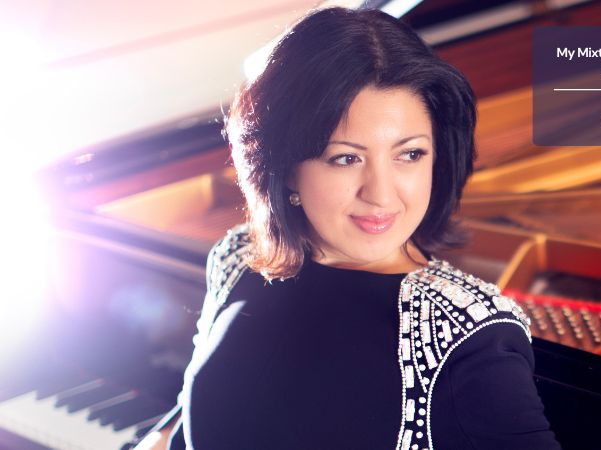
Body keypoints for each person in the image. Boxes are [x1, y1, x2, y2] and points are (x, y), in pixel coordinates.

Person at [134, 6, 560, 450]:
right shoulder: (239, 257)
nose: (381, 194)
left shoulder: (466, 333)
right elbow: (184, 423)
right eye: (346, 158)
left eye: (410, 154)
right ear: (285, 167)